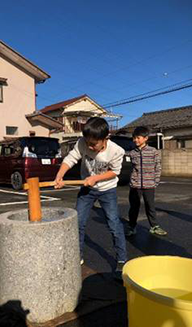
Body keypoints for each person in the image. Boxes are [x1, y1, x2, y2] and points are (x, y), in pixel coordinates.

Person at [54, 117, 127, 278]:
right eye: (87, 143)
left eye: (94, 144)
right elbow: (71, 158)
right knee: (78, 222)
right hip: (87, 189)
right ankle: (77, 256)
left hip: (107, 189)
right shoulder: (82, 143)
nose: (89, 146)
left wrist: (96, 178)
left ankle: (122, 259)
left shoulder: (116, 151)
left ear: (105, 138)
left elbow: (115, 172)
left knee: (114, 223)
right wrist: (59, 175)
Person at [125, 126, 167, 237]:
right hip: (135, 185)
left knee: (150, 206)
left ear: (145, 138)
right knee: (134, 207)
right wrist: (132, 181)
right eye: (134, 138)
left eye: (138, 138)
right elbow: (131, 168)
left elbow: (158, 167)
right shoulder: (132, 153)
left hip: (149, 185)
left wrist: (155, 181)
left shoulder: (154, 151)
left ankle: (154, 227)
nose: (135, 140)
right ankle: (132, 227)